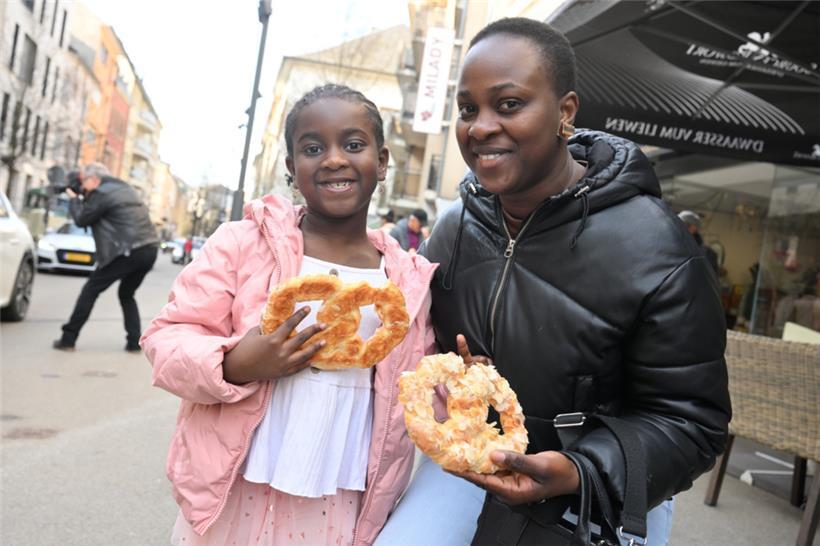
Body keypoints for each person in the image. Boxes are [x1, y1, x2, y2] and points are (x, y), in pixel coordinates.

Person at [376, 18, 730, 546]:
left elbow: (692, 422)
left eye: (509, 104)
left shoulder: (656, 245)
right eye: (468, 108)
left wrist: (579, 469)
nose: (480, 127)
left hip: (598, 490)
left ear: (565, 112)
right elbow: (409, 346)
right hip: (474, 463)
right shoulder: (452, 228)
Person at [141, 84, 436, 546]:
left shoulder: (408, 281)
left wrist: (456, 384)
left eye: (353, 145)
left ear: (381, 162)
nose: (334, 158)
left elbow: (416, 390)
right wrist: (236, 363)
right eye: (313, 148)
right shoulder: (242, 243)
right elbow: (167, 337)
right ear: (290, 169)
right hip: (236, 488)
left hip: (340, 496)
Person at [52, 163, 159, 352]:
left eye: (83, 181)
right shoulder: (124, 188)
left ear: (94, 179)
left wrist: (74, 199)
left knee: (91, 290)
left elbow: (82, 219)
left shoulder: (101, 193)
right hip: (149, 249)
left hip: (127, 250)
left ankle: (68, 339)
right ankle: (134, 342)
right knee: (127, 294)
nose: (83, 186)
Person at [678, 210, 720, 275]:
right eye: (678, 225)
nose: (680, 229)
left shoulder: (706, 254)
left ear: (693, 228)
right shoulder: (672, 249)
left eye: (686, 225)